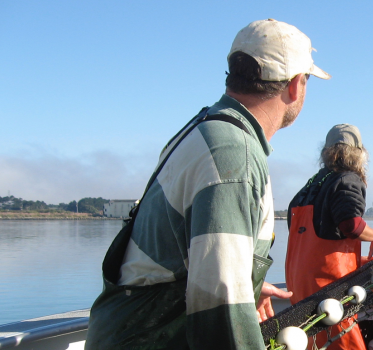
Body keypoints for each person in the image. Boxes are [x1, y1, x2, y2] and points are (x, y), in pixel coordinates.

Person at [85, 19, 330, 349]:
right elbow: (219, 307)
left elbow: (198, 262)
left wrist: (250, 286)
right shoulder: (234, 156)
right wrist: (236, 295)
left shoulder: (207, 127)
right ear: (296, 85)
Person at [285, 124, 373, 350]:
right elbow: (350, 225)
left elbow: (304, 231)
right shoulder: (347, 179)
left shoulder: (310, 184)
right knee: (342, 342)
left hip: (299, 283)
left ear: (326, 152)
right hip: (328, 286)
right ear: (360, 153)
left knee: (312, 341)